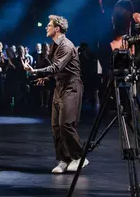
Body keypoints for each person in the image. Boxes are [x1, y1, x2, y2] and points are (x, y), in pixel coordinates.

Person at [22, 15, 88, 174]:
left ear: (57, 28)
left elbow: (57, 67)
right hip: (60, 86)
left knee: (66, 124)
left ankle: (79, 157)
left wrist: (35, 71)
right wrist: (46, 78)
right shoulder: (54, 45)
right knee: (56, 126)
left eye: (49, 25)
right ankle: (64, 159)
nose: (46, 27)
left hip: (71, 87)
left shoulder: (66, 45)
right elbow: (58, 70)